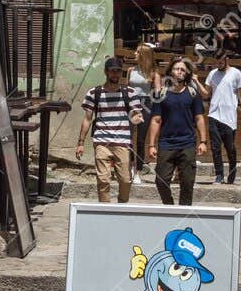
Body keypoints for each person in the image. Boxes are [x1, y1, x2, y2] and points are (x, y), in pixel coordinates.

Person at [76, 57, 145, 203]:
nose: (115, 74)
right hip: (102, 141)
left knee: (125, 180)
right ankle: (105, 208)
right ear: (106, 72)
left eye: (118, 71)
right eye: (112, 71)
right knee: (102, 180)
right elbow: (87, 118)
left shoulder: (130, 93)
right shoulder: (94, 93)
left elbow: (135, 116)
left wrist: (136, 118)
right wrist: (81, 142)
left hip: (123, 142)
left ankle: (121, 206)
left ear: (121, 73)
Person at [146, 58, 208, 206]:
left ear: (186, 74)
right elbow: (156, 120)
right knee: (161, 180)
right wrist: (151, 145)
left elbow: (199, 118)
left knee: (187, 182)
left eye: (182, 70)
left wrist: (203, 141)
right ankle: (169, 206)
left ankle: (184, 210)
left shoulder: (193, 94)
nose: (179, 72)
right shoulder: (161, 94)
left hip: (187, 143)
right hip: (166, 143)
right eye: (176, 69)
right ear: (170, 72)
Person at [203, 47, 241, 185]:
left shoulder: (236, 73)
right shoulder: (212, 74)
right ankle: (219, 175)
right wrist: (195, 82)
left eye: (221, 62)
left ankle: (232, 173)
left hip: (229, 116)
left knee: (230, 148)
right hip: (213, 114)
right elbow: (206, 93)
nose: (218, 65)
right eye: (217, 62)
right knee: (215, 147)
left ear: (226, 59)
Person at [127, 44, 163, 184]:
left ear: (144, 55)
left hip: (146, 103)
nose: (134, 54)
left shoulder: (153, 72)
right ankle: (130, 166)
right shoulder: (131, 70)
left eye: (137, 52)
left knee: (141, 139)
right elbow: (127, 87)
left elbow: (158, 92)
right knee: (128, 137)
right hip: (131, 103)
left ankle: (138, 170)